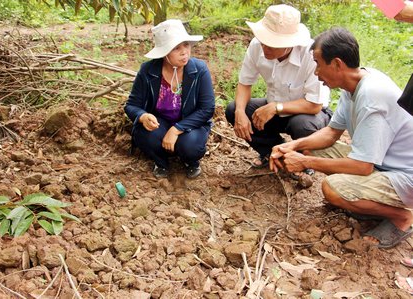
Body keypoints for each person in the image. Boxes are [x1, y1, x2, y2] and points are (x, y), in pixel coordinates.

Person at [270, 27, 413, 249]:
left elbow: (363, 166)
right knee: (310, 149)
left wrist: (305, 163)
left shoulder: (371, 96)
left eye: (318, 63)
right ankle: (366, 204)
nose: (316, 72)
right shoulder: (353, 85)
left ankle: (401, 217)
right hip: (382, 163)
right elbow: (330, 133)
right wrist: (294, 146)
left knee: (332, 189)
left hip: (404, 176)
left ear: (337, 64)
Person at [225, 4, 331, 170]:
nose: (264, 47)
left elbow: (314, 105)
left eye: (271, 44)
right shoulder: (256, 46)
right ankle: (273, 151)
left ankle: (302, 161)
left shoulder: (311, 55)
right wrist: (240, 112)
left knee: (303, 125)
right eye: (263, 41)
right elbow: (245, 83)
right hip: (273, 106)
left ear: (290, 43)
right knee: (234, 109)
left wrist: (276, 107)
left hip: (308, 113)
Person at [124, 19, 215, 179]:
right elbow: (132, 105)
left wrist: (176, 129)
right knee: (146, 136)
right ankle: (161, 161)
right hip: (161, 122)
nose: (184, 52)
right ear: (164, 52)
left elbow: (206, 109)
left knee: (190, 146)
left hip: (191, 123)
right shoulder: (148, 71)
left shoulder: (199, 70)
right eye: (176, 48)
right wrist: (144, 116)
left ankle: (190, 161)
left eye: (186, 45)